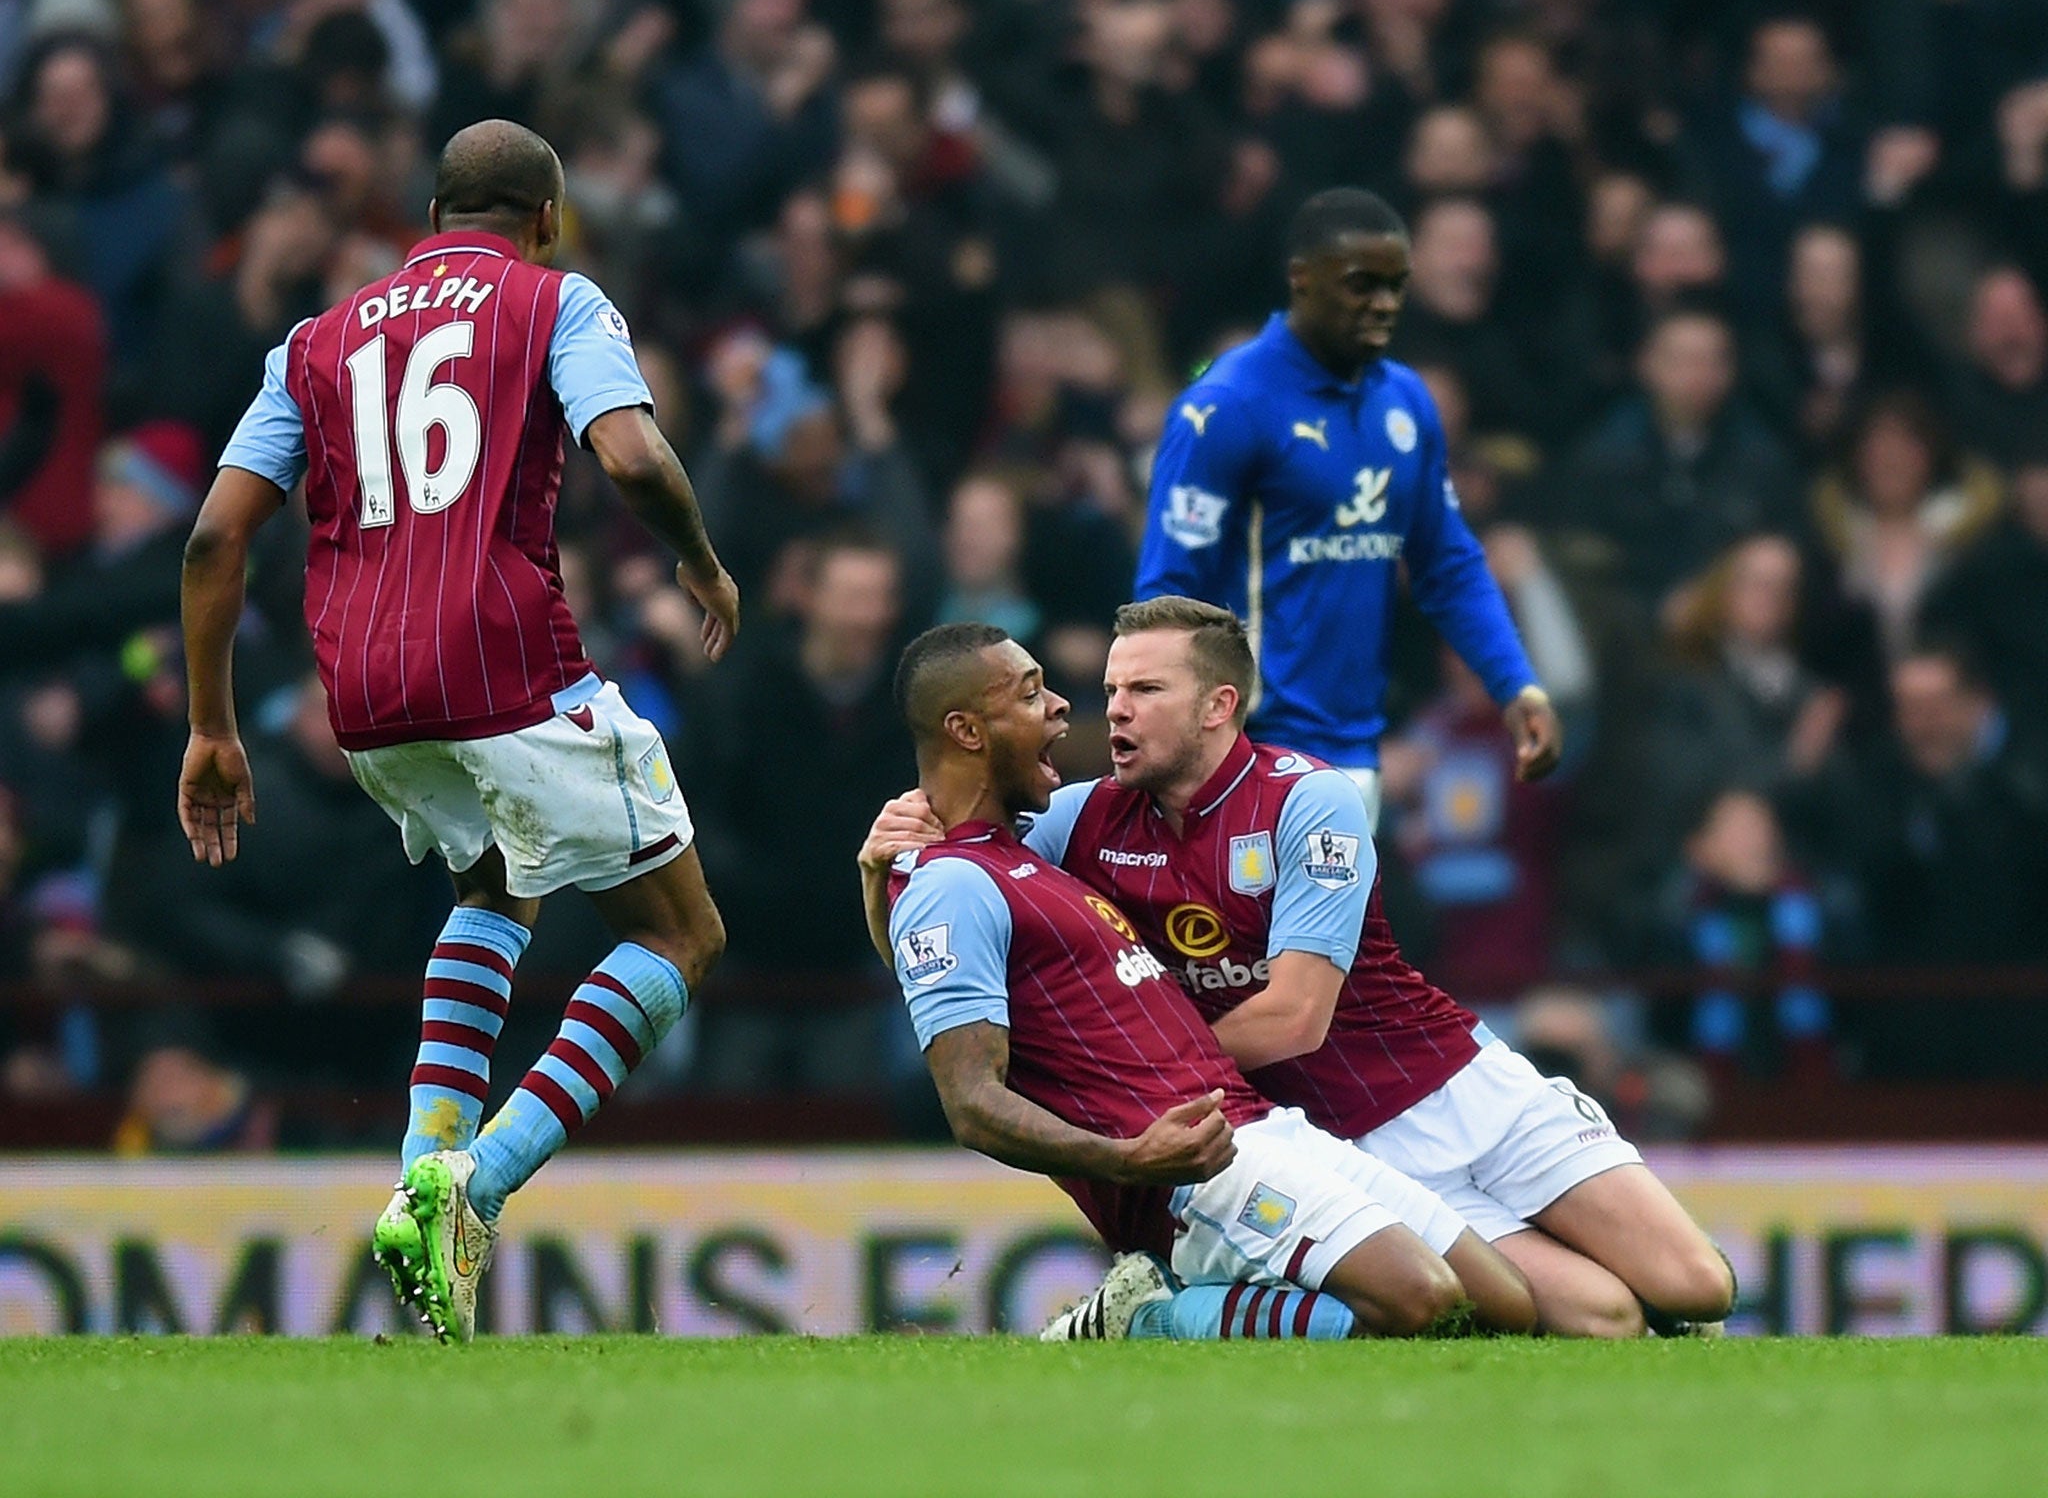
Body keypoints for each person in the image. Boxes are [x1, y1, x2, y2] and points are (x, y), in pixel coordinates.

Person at [178, 119, 740, 1344]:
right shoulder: (556, 300)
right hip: (503, 665)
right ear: (544, 217)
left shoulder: (313, 342)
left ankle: (413, 1190)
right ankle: (468, 1186)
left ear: (433, 216)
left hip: (366, 700)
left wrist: (211, 725)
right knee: (682, 933)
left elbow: (216, 538)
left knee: (494, 891)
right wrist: (699, 559)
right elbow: (631, 453)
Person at [864, 600, 1734, 1337]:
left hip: (1448, 1081)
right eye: (1112, 691)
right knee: (1601, 1316)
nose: (1113, 711)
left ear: (1218, 706)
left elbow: (1293, 1019)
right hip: (1336, 1133)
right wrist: (886, 861)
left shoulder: (1305, 799)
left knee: (1700, 1285)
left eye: (1145, 690)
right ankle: (1172, 1310)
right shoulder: (1078, 822)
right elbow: (954, 935)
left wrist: (1139, 1064)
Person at [1135, 187, 1560, 828]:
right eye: (1363, 284)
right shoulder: (1227, 406)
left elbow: (1448, 566)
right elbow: (1164, 597)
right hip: (1248, 753)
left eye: (1396, 285)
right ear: (1302, 280)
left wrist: (1514, 683)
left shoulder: (1407, 404)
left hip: (1355, 757)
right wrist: (1176, 756)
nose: (1384, 304)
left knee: (1338, 932)